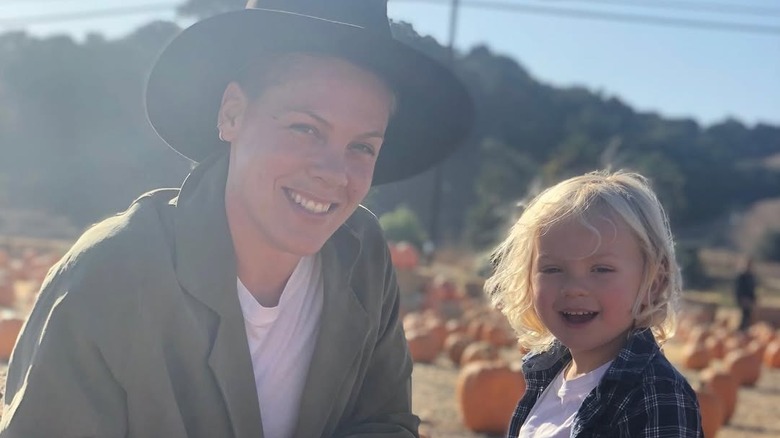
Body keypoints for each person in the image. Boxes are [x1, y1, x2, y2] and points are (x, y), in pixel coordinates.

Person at [0, 1, 473, 437]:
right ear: (231, 115)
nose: (334, 174)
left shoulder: (364, 253)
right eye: (305, 128)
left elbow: (385, 420)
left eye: (362, 147)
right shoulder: (110, 273)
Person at [484, 170, 702, 437]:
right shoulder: (546, 375)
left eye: (601, 269)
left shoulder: (656, 396)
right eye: (553, 269)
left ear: (653, 282)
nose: (574, 289)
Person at [734, 257, 757, 331]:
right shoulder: (742, 276)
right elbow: (739, 288)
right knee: (743, 315)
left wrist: (753, 298)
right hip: (743, 299)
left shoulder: (751, 276)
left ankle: (745, 330)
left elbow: (752, 289)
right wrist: (741, 298)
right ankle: (740, 330)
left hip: (749, 299)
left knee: (748, 315)